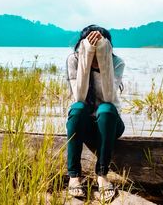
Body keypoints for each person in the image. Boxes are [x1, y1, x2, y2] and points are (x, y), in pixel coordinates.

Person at [66, 25, 125, 201]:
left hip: (110, 124)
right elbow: (80, 96)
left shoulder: (116, 62)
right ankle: (74, 177)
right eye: (91, 43)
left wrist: (103, 57)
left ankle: (102, 175)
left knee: (106, 109)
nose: (95, 46)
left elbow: (109, 97)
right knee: (77, 108)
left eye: (100, 44)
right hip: (83, 125)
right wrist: (87, 55)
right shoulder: (74, 60)